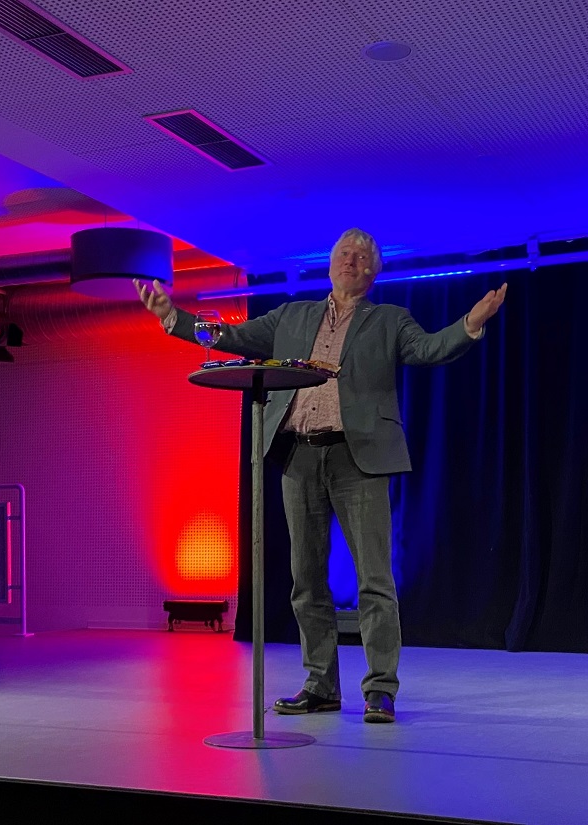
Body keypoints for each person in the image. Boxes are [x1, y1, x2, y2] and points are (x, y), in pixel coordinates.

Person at [136, 227, 506, 723]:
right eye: (343, 254)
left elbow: (429, 349)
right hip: (300, 456)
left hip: (360, 458)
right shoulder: (292, 315)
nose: (350, 260)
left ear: (373, 272)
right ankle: (321, 685)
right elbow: (232, 337)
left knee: (374, 579)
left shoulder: (389, 320)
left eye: (361, 256)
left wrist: (471, 324)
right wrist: (172, 318)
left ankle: (380, 689)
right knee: (305, 580)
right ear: (330, 265)